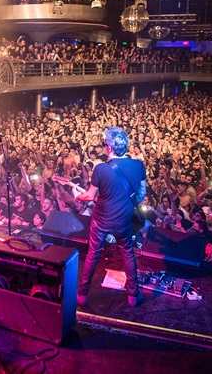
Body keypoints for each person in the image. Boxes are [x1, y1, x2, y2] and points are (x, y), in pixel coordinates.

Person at [75, 127, 147, 307]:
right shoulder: (139, 165)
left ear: (108, 147)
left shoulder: (101, 168)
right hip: (123, 219)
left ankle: (82, 295)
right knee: (128, 253)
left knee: (93, 253)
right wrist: (127, 203)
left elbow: (90, 196)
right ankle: (133, 296)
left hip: (101, 220)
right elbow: (141, 193)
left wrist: (78, 195)